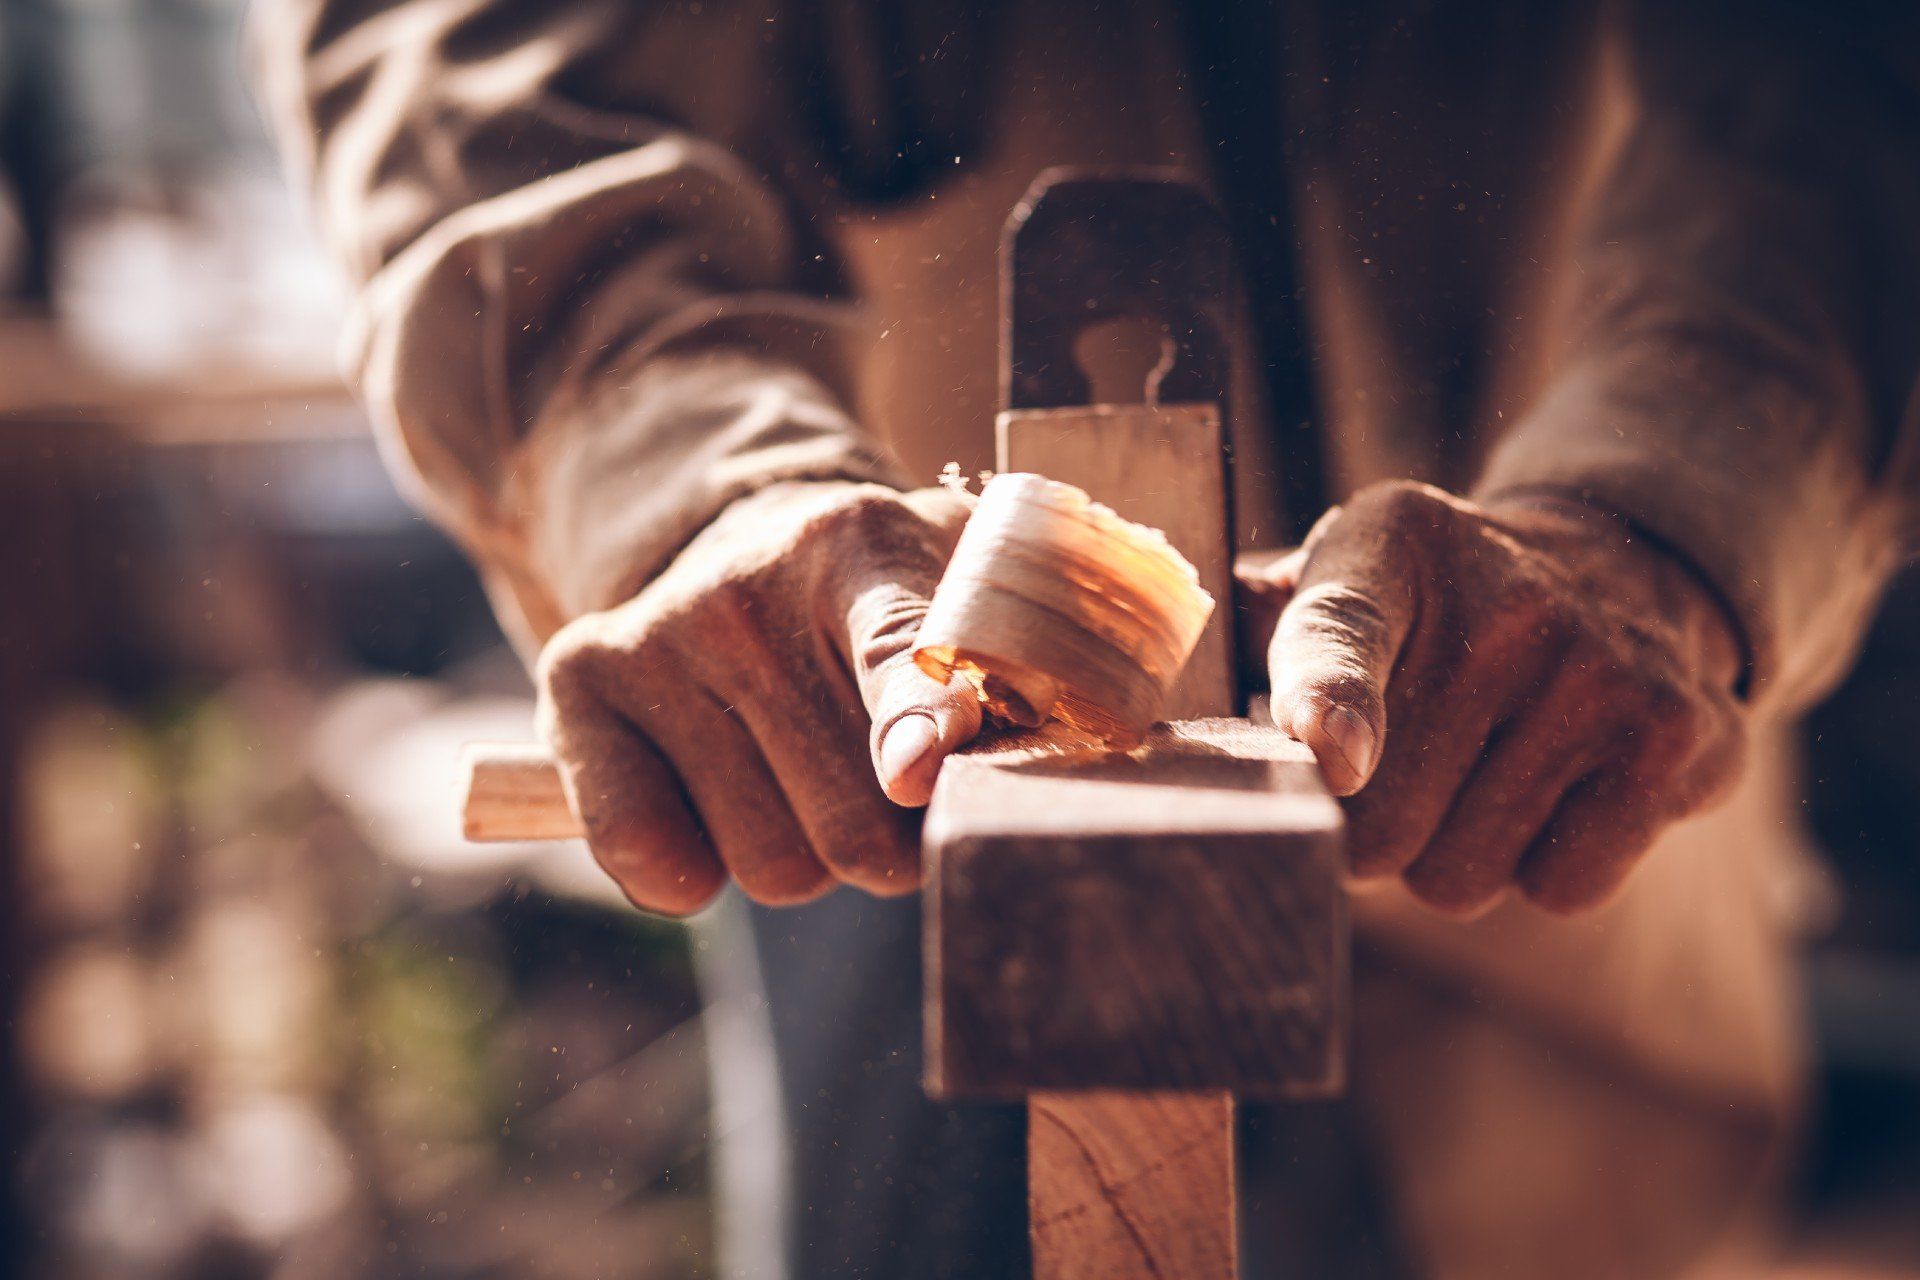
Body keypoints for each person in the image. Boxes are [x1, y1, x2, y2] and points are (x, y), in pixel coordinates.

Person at [252, 1, 1919, 1276]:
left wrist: (1679, 502)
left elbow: (1845, 81)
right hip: (872, 769)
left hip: (1537, 766)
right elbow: (469, 52)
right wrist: (686, 470)